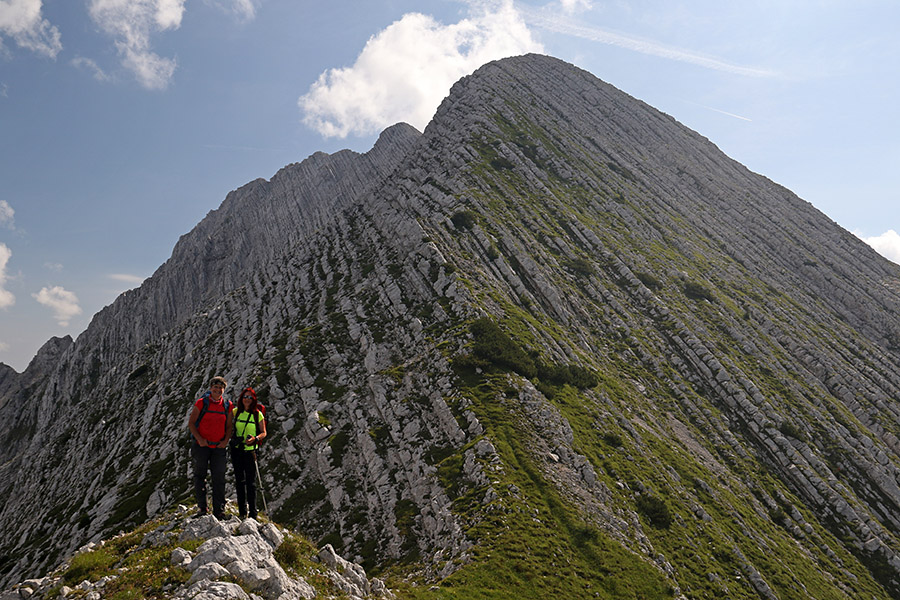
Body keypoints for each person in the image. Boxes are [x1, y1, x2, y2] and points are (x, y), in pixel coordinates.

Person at [188, 376, 233, 519]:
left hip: (219, 447)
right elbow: (191, 423)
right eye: (215, 387)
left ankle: (219, 510)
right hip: (202, 446)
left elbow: (229, 425)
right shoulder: (202, 403)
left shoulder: (227, 405)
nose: (217, 390)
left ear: (224, 390)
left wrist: (226, 441)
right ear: (210, 388)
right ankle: (202, 508)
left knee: (219, 477)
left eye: (220, 388)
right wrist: (200, 440)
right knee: (200, 476)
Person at [231, 387, 267, 519]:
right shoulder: (235, 412)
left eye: (250, 397)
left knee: (251, 482)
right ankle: (242, 512)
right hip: (237, 450)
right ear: (241, 398)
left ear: (254, 400)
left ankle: (253, 513)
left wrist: (255, 439)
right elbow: (228, 426)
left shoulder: (257, 414)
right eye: (245, 397)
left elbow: (264, 432)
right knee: (239, 481)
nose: (247, 399)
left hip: (251, 451)